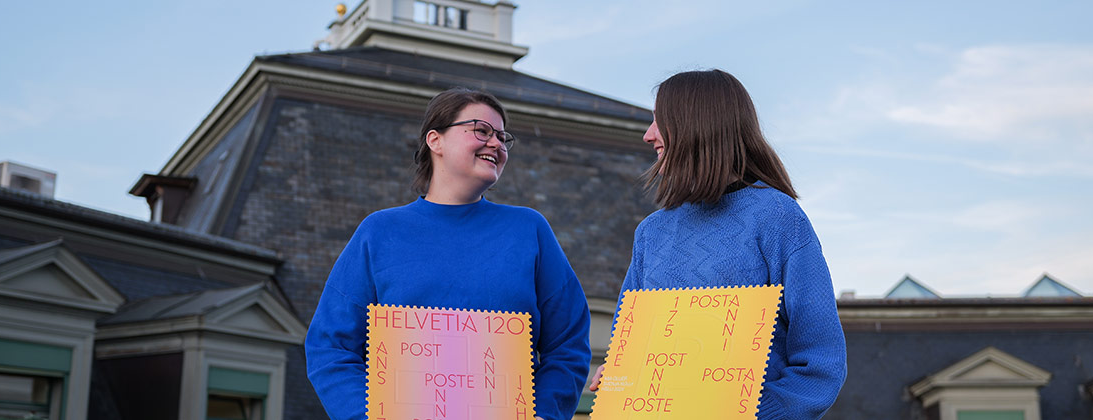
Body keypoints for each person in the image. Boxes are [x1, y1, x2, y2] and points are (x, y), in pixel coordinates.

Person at [305, 87, 591, 420]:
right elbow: (330, 348)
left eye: (502, 137)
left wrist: (544, 414)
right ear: (435, 140)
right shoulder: (379, 233)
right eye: (482, 131)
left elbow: (568, 343)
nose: (496, 144)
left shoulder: (529, 230)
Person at [588, 70, 847, 419]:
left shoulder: (778, 218)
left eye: (659, 121)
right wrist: (620, 378)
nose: (649, 135)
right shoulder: (651, 233)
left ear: (696, 123)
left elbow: (821, 365)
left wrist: (751, 414)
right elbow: (629, 348)